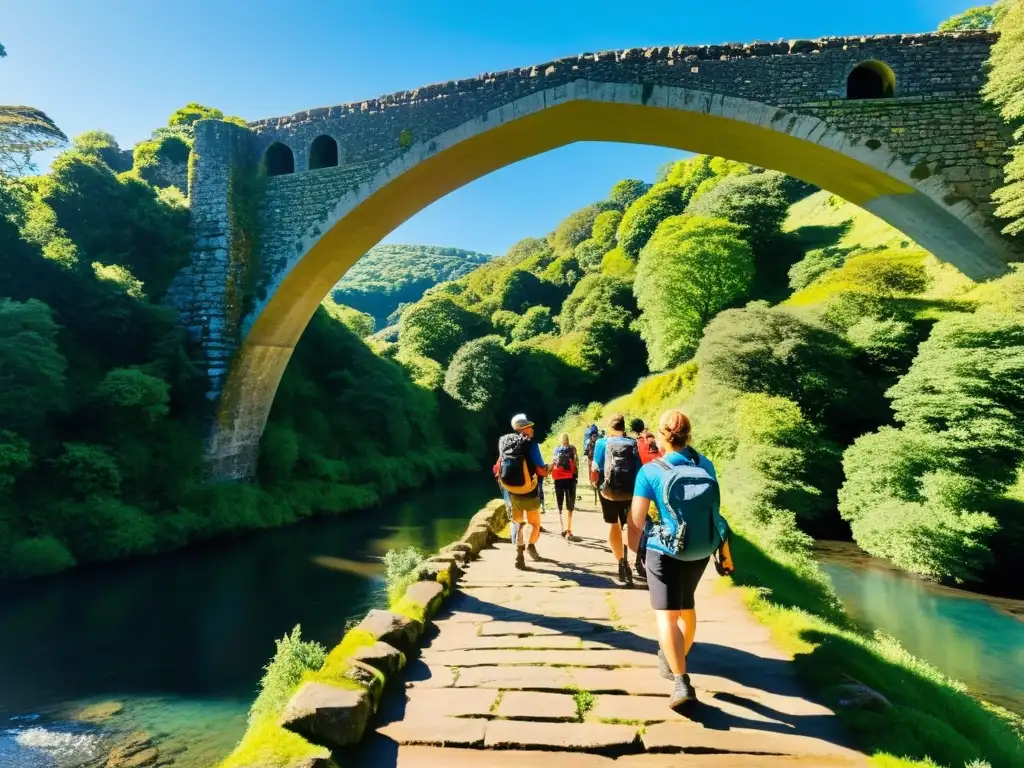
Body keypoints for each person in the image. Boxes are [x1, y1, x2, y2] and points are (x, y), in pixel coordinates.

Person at [627, 409, 734, 711]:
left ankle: (680, 681)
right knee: (686, 608)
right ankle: (675, 655)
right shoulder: (706, 465)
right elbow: (712, 510)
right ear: (689, 435)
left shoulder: (650, 471)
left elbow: (636, 521)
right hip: (700, 548)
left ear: (661, 435)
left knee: (666, 616)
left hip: (665, 550)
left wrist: (634, 554)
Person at [590, 413, 641, 587]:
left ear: (610, 427)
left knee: (614, 525)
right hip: (630, 491)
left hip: (609, 492)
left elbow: (595, 469)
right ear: (623, 427)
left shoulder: (601, 443)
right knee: (628, 524)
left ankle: (621, 563)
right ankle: (632, 561)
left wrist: (595, 484)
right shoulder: (633, 443)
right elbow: (639, 468)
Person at [495, 413, 548, 570]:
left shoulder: (503, 441)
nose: (532, 429)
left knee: (516, 522)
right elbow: (540, 468)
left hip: (510, 489)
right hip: (529, 489)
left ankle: (519, 552)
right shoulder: (532, 445)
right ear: (524, 429)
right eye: (530, 427)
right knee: (534, 523)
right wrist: (548, 469)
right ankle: (530, 545)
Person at [550, 433, 581, 542]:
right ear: (568, 440)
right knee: (570, 505)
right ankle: (569, 530)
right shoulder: (572, 449)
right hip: (570, 479)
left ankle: (562, 528)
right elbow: (576, 463)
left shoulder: (556, 449)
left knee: (560, 504)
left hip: (558, 479)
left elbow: (553, 462)